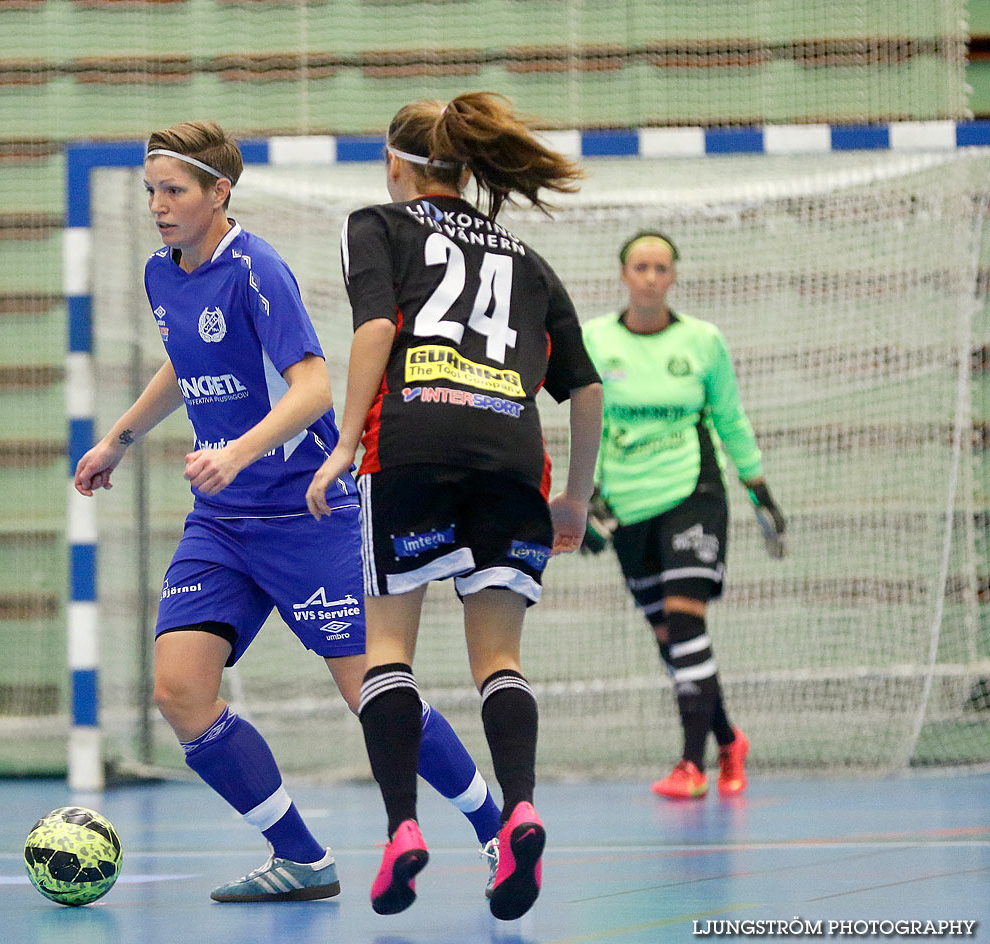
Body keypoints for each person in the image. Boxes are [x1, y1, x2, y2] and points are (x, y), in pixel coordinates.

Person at [74, 120, 506, 904]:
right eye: (151, 191)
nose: (159, 206)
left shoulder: (257, 268)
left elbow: (311, 387)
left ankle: (493, 825)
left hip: (308, 516)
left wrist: (235, 451)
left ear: (218, 193)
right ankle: (302, 856)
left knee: (370, 690)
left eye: (174, 191)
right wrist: (118, 438)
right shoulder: (161, 273)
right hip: (221, 523)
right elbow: (190, 357)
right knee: (179, 691)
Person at [307, 92, 603, 920]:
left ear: (397, 163)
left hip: (410, 448)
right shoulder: (528, 261)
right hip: (511, 459)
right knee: (499, 661)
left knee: (389, 652)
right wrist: (573, 497)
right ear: (469, 166)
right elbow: (583, 386)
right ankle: (518, 810)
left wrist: (339, 447)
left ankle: (403, 828)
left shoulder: (377, 223)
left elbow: (374, 331)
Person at [579, 231, 785, 800]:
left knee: (687, 621)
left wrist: (759, 490)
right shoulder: (595, 339)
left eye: (661, 267)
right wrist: (584, 494)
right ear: (624, 275)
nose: (650, 276)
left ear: (673, 277)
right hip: (627, 503)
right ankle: (728, 738)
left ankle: (691, 766)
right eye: (640, 267)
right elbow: (586, 421)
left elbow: (730, 418)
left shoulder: (702, 341)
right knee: (670, 636)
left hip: (693, 493)